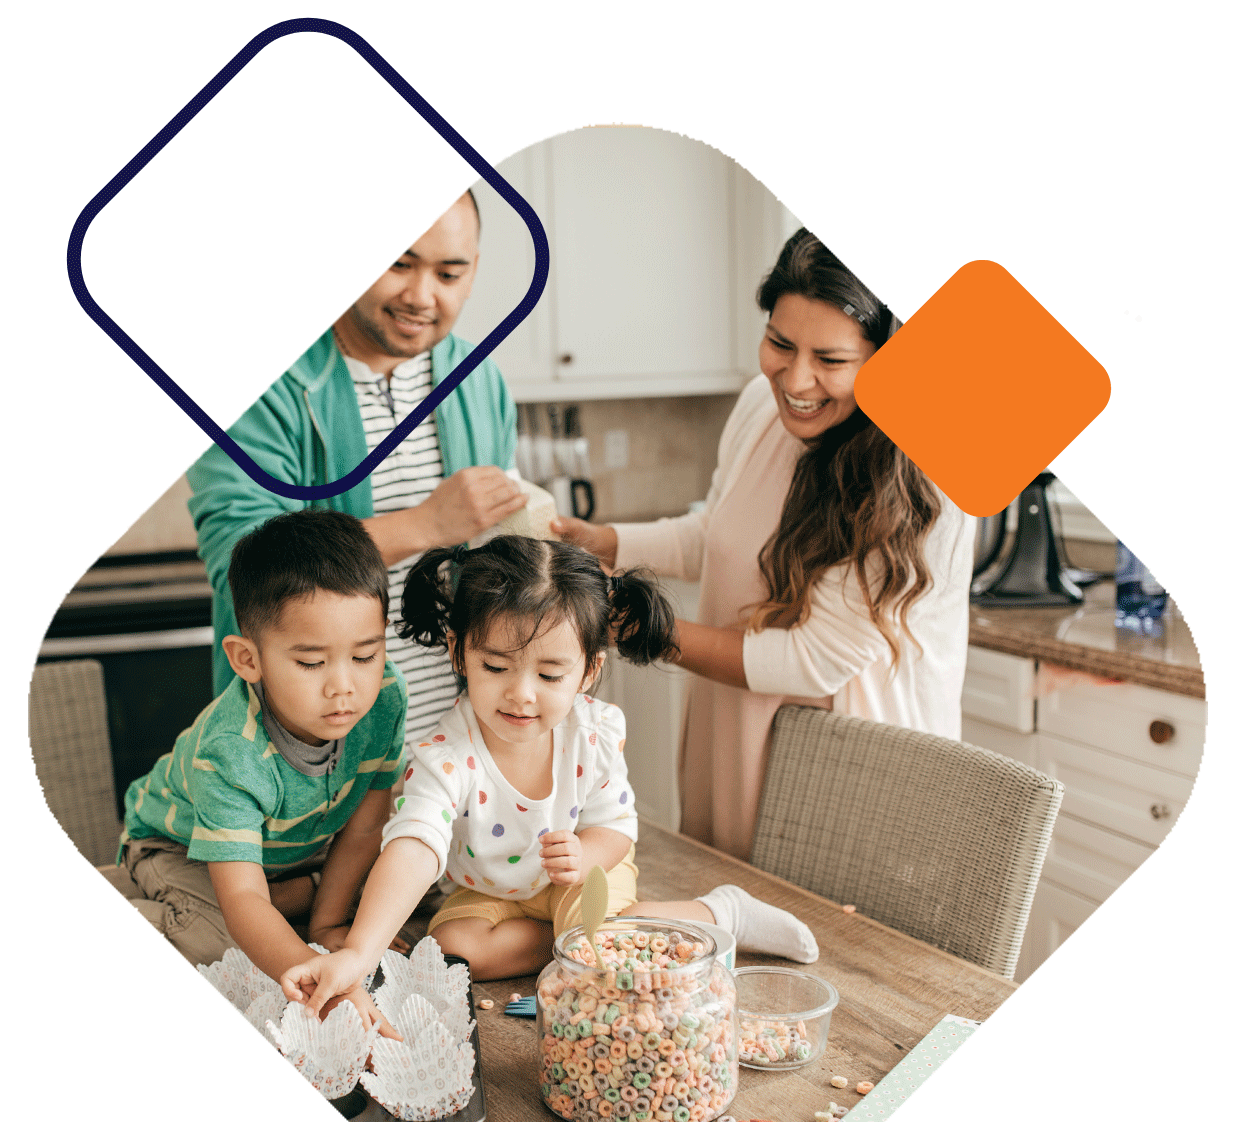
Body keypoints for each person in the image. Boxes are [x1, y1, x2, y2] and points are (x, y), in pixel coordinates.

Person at [552, 230, 976, 860]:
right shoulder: (761, 405)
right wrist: (604, 541)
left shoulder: (926, 468)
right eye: (780, 343)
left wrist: (642, 627)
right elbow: (721, 533)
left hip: (848, 754)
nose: (795, 377)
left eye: (831, 360)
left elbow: (811, 662)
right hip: (737, 717)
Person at [279, 535, 818, 1015]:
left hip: (581, 874)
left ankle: (720, 912)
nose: (521, 693)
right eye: (495, 667)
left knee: (593, 933)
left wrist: (585, 857)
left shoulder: (593, 734)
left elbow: (616, 830)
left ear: (589, 671)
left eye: (550, 673)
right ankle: (575, 941)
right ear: (458, 653)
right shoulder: (445, 753)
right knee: (453, 952)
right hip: (494, 893)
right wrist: (359, 952)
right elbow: (415, 841)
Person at [187, 190, 527, 752]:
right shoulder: (257, 385)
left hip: (457, 751)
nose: (422, 296)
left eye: (449, 273)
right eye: (399, 263)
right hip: (311, 762)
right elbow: (241, 562)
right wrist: (424, 525)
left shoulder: (478, 379)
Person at [99, 511, 409, 1030]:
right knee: (230, 953)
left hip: (276, 857)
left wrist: (329, 924)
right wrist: (317, 982)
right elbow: (242, 897)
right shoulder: (232, 752)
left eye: (365, 654)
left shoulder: (384, 701)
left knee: (346, 899)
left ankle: (302, 898)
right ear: (248, 660)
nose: (344, 686)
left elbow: (365, 827)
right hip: (172, 848)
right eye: (311, 663)